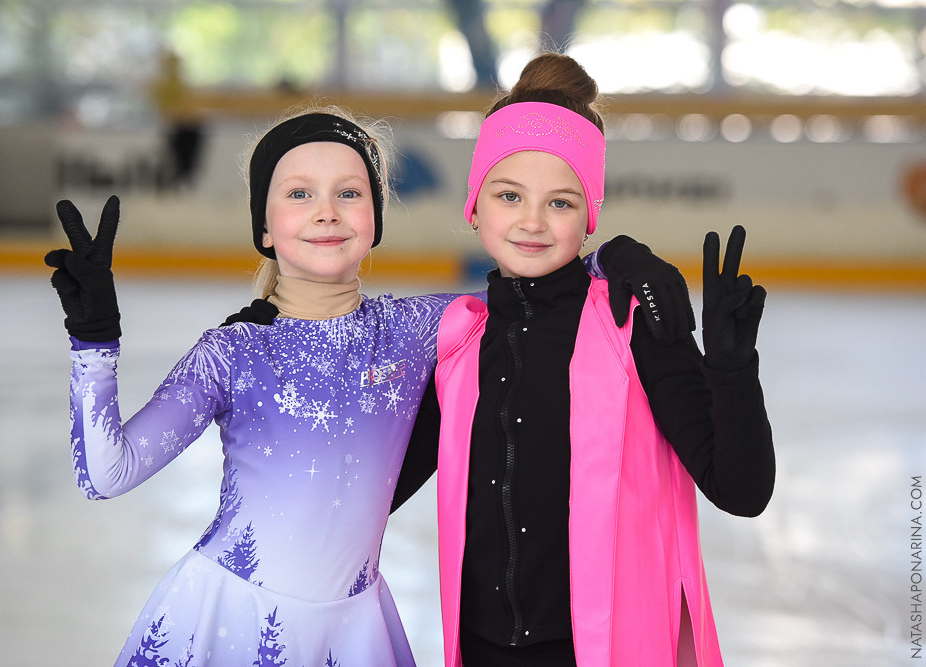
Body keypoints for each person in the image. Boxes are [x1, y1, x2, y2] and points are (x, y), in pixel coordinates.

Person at [45, 105, 691, 666]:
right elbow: (107, 471)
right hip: (229, 622)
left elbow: (538, 283)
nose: (325, 211)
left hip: (354, 635)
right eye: (299, 193)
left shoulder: (418, 329)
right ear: (264, 228)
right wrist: (94, 339)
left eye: (348, 193)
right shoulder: (231, 353)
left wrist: (616, 255)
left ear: (375, 220)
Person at [390, 53, 776, 666]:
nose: (532, 222)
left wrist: (731, 371)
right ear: (475, 205)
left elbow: (742, 490)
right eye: (509, 195)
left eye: (561, 203)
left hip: (602, 651)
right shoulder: (457, 346)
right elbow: (369, 493)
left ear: (589, 216)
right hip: (485, 651)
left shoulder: (632, 327)